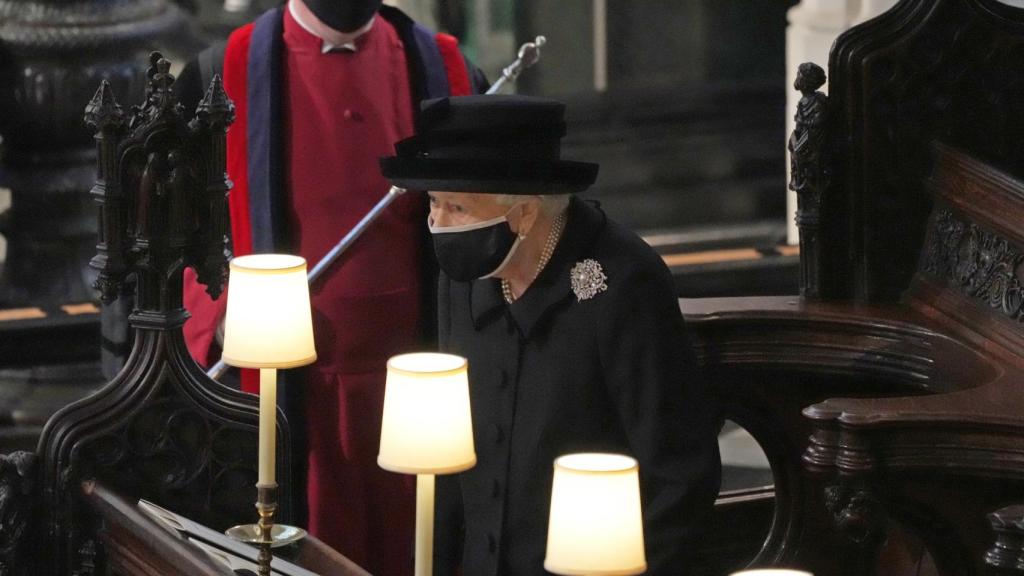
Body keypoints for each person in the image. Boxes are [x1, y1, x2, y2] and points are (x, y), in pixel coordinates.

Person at [172, 2, 486, 575]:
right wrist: (219, 311)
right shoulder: (220, 72)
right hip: (291, 389)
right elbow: (170, 235)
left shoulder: (446, 68)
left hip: (418, 384)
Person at [380, 95, 722, 575]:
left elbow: (680, 476)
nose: (437, 223)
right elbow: (447, 461)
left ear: (523, 213)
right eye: (433, 202)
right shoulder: (461, 279)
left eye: (457, 206)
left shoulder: (626, 281)